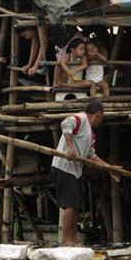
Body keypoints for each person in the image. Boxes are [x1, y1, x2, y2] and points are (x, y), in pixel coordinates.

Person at [50, 100, 116, 245]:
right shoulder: (81, 118)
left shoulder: (91, 134)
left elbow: (91, 155)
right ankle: (67, 240)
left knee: (75, 206)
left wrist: (108, 167)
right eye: (102, 116)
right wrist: (69, 147)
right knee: (70, 204)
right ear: (98, 114)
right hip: (64, 167)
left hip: (74, 172)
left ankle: (74, 238)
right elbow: (66, 124)